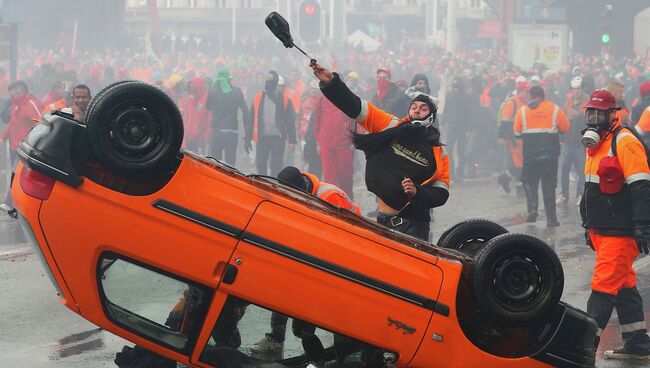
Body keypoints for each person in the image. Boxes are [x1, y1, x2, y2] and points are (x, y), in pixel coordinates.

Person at [310, 62, 449, 241]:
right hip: (384, 218)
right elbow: (356, 107)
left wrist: (417, 192)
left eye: (423, 109)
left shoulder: (438, 151)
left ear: (431, 116)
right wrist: (331, 83)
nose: (417, 111)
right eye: (414, 107)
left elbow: (442, 193)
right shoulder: (390, 125)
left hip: (416, 223)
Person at [251, 166, 360, 354]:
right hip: (317, 250)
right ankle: (276, 340)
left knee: (335, 307)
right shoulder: (297, 193)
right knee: (283, 287)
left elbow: (338, 237)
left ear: (302, 188)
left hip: (346, 255)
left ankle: (348, 352)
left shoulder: (330, 197)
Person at [580, 89, 650, 359]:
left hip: (620, 232)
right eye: (590, 113)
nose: (594, 119)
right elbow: (591, 190)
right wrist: (589, 225)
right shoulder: (596, 145)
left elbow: (642, 186)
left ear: (612, 114)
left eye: (599, 113)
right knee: (623, 286)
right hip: (603, 229)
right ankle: (638, 344)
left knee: (603, 288)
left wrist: (643, 225)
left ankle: (581, 351)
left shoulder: (624, 142)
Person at [513, 85, 569, 227]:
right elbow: (566, 128)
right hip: (550, 157)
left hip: (530, 156)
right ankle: (551, 219)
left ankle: (532, 210)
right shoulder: (554, 109)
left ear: (530, 96)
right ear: (543, 96)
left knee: (529, 182)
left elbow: (517, 133)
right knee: (549, 186)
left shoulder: (523, 111)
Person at [0, 81, 43, 210]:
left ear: (23, 92)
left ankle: (10, 203)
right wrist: (2, 138)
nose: (14, 97)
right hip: (14, 146)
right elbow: (12, 124)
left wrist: (31, 142)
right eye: (12, 95)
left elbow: (40, 123)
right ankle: (13, 203)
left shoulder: (30, 104)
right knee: (15, 175)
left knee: (16, 174)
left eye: (16, 94)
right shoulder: (15, 106)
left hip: (24, 147)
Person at [244, 71, 297, 176]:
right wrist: (247, 138)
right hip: (262, 137)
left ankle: (273, 186)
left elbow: (290, 121)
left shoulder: (284, 100)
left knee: (276, 166)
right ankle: (263, 186)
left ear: (276, 83)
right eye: (267, 81)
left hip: (278, 137)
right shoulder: (258, 98)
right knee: (260, 163)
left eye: (271, 81)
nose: (269, 84)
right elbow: (250, 120)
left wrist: (292, 140)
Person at [205, 69, 248, 166]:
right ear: (229, 79)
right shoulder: (237, 92)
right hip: (232, 131)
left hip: (217, 131)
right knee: (230, 164)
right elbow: (246, 112)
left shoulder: (213, 92)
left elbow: (208, 107)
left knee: (215, 164)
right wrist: (247, 133)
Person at [558, 76, 588, 206]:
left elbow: (589, 121)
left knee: (581, 170)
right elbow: (562, 119)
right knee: (564, 168)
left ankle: (580, 194)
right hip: (568, 140)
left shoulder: (587, 102)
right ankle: (564, 194)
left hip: (580, 141)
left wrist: (578, 115)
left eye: (578, 88)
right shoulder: (568, 102)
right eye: (574, 89)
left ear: (582, 89)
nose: (576, 91)